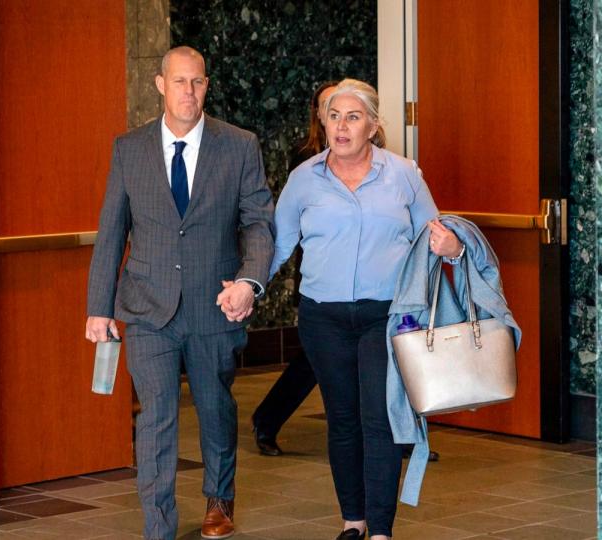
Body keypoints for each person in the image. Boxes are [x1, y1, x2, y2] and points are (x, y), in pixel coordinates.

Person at [85, 46, 275, 540]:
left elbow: (258, 223)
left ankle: (219, 498)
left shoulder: (238, 146)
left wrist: (249, 282)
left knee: (215, 407)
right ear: (160, 85)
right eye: (179, 82)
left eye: (197, 83)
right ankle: (159, 525)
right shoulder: (129, 148)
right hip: (148, 307)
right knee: (157, 417)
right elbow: (112, 231)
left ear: (206, 86)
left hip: (215, 304)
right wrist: (98, 309)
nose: (188, 92)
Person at [269, 79, 463, 540]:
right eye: (334, 116)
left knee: (379, 418)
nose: (342, 126)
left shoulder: (403, 175)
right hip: (323, 317)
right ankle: (352, 523)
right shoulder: (304, 179)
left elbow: (432, 237)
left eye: (353, 117)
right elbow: (278, 245)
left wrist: (452, 248)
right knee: (342, 418)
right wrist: (246, 286)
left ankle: (380, 531)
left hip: (387, 315)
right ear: (323, 122)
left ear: (373, 126)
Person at [251, 80, 337, 456]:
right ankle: (267, 418)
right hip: (320, 273)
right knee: (315, 358)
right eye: (328, 106)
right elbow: (290, 226)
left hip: (369, 278)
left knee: (376, 355)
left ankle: (397, 438)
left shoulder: (378, 156)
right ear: (318, 114)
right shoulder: (306, 157)